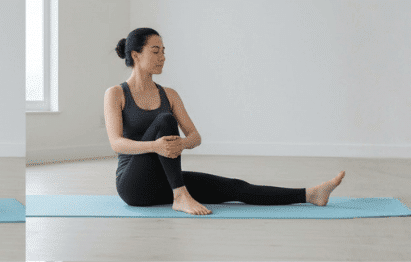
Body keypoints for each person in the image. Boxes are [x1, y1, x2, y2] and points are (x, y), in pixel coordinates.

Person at [104, 28, 344, 215]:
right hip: (132, 186)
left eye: (164, 51)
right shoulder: (116, 94)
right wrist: (155, 146)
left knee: (235, 187)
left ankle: (311, 194)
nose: (162, 57)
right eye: (155, 51)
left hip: (164, 181)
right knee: (165, 120)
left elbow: (195, 137)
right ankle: (180, 195)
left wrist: (182, 144)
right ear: (136, 55)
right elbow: (116, 143)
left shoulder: (169, 94)